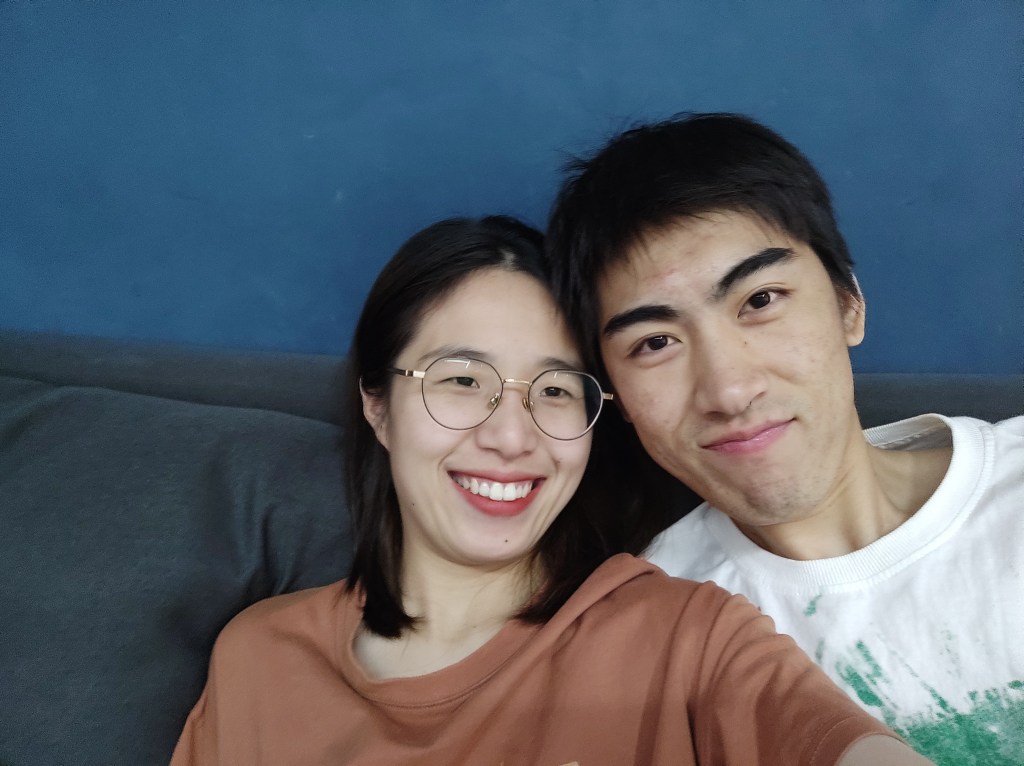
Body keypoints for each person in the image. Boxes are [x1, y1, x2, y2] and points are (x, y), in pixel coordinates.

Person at [170, 215, 927, 764]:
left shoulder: (687, 636)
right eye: (462, 381)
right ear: (378, 404)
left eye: (557, 390)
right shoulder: (261, 658)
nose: (511, 436)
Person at [546, 112, 1023, 765]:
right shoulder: (646, 634)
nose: (728, 390)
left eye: (761, 300)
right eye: (655, 343)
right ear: (615, 395)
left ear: (849, 303)